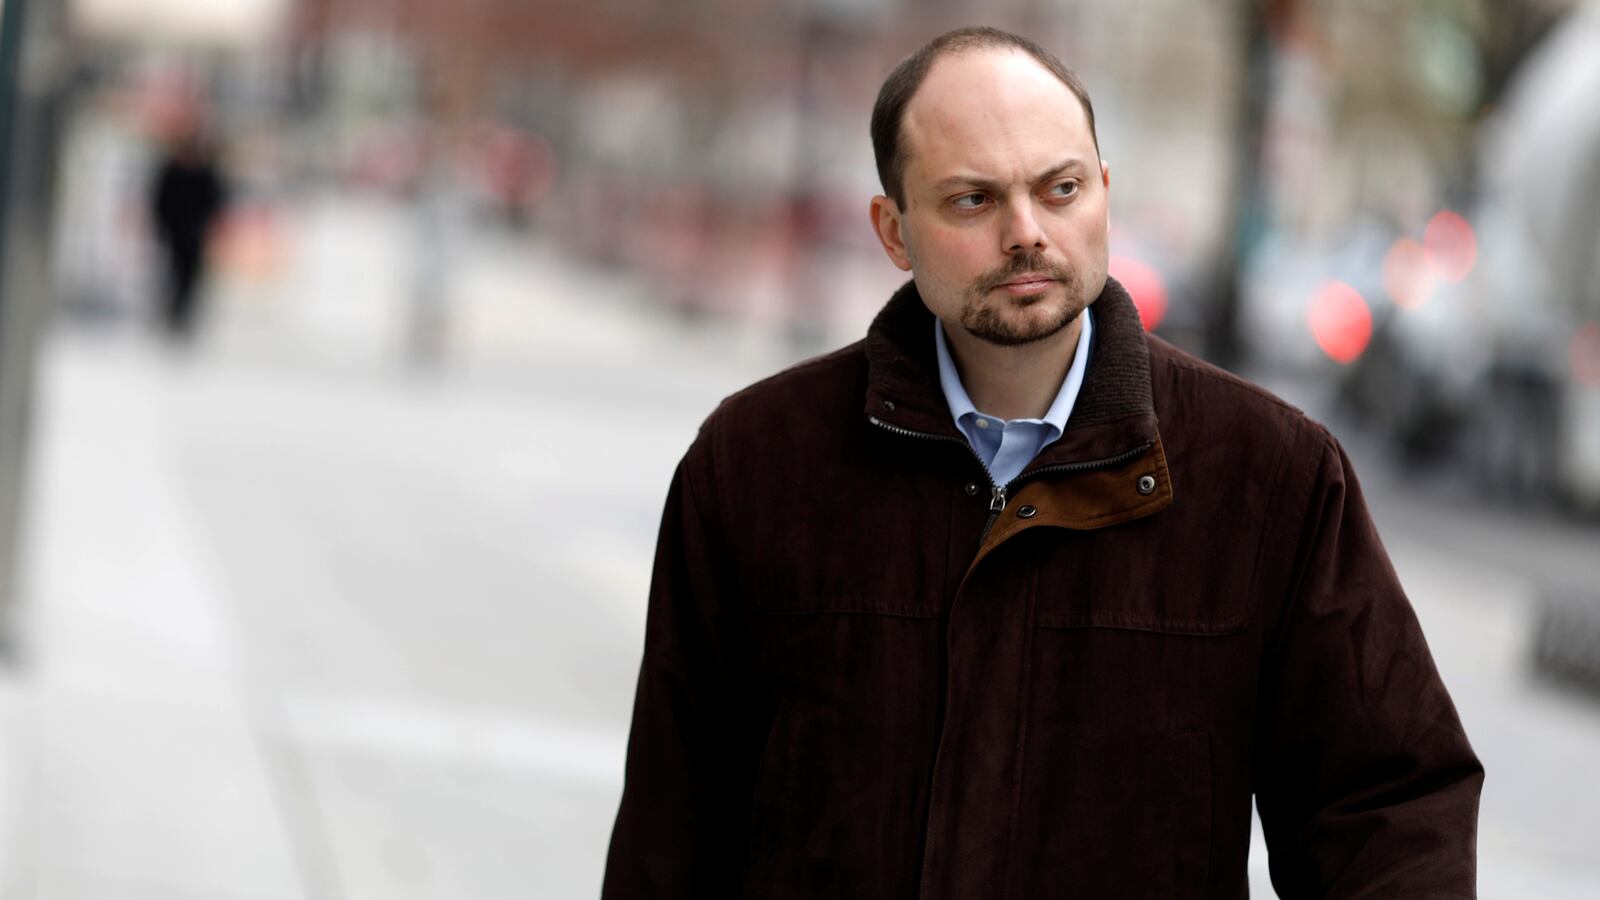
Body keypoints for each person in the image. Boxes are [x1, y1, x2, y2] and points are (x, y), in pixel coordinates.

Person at [603, 26, 1482, 899]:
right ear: (894, 229)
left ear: (1102, 190)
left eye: (1059, 190)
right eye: (973, 201)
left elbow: (1390, 812)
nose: (1027, 233)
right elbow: (672, 830)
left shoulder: (1270, 477)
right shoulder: (757, 465)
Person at [149, 127, 228, 341]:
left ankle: (183, 317)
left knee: (191, 277)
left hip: (195, 235)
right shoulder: (173, 170)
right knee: (172, 274)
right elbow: (161, 200)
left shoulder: (206, 174)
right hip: (175, 233)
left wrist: (208, 227)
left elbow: (215, 204)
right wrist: (162, 225)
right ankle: (172, 315)